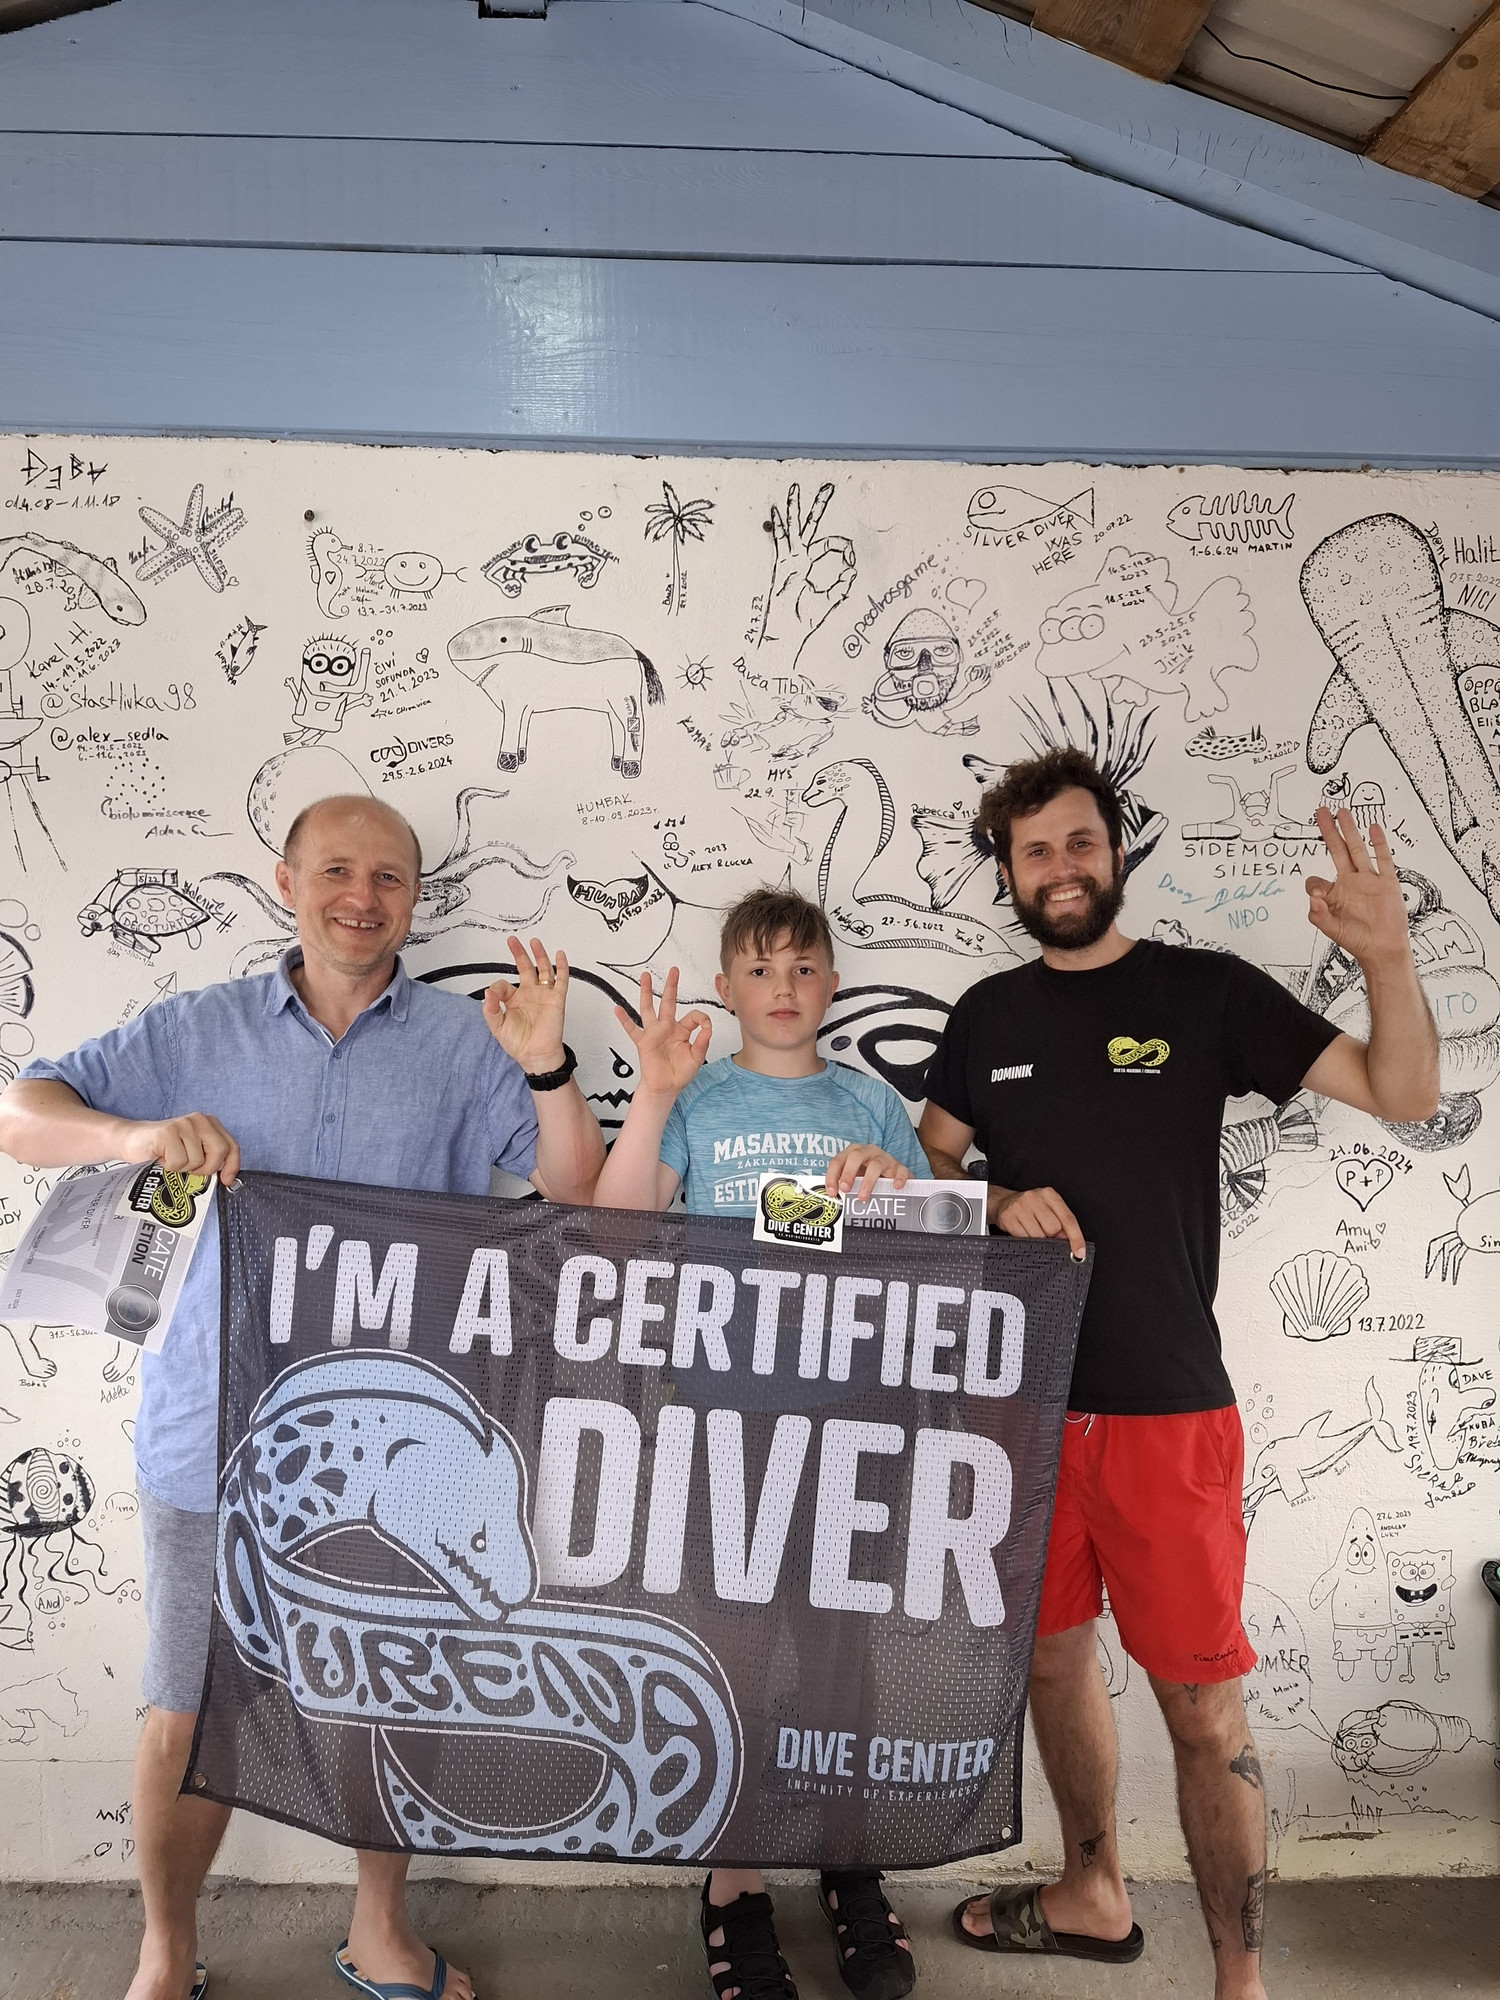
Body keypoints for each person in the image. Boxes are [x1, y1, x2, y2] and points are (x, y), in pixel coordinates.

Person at [0, 794, 606, 2000]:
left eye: (388, 877)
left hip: (413, 1445)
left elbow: (576, 1185)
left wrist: (545, 1059)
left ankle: (379, 1926)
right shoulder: (194, 1028)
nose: (360, 896)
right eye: (336, 869)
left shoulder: (464, 1040)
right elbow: (22, 1113)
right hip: (209, 1434)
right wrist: (132, 1138)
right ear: (286, 881)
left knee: (389, 1695)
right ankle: (166, 1951)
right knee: (188, 1709)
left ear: (414, 898)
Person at [917, 747, 1437, 2000]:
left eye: (1079, 842)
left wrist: (1388, 955)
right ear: (1008, 871)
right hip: (1019, 1407)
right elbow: (923, 1177)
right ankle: (1092, 1892)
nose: (1060, 867)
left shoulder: (1205, 993)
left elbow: (1405, 1093)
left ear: (1116, 852)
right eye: (1034, 850)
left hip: (1167, 1413)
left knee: (1203, 1711)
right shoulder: (985, 1014)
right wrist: (993, 1196)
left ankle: (1238, 1979)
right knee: (1051, 1662)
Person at [592, 885, 929, 2000]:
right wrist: (653, 1094)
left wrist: (896, 1187)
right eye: (760, 968)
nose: (783, 987)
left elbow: (938, 1254)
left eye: (803, 966)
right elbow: (617, 1230)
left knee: (842, 1652)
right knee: (728, 1649)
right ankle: (731, 1880)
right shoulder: (697, 1096)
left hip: (854, 1419)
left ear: (832, 983)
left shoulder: (872, 1101)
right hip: (721, 1418)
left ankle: (847, 1855)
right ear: (727, 988)